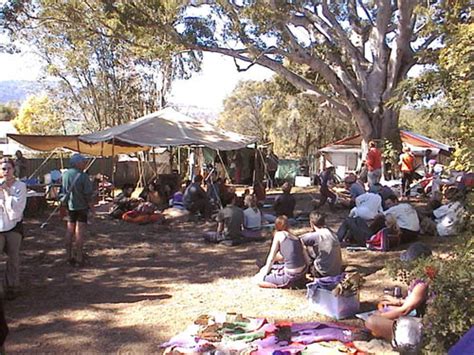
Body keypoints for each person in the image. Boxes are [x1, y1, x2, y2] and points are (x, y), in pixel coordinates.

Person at [365, 243, 432, 346]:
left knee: (371, 321)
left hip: (423, 330)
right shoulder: (428, 278)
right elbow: (416, 302)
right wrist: (397, 302)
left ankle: (399, 340)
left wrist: (381, 316)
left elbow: (404, 311)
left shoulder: (422, 285)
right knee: (383, 309)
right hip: (420, 321)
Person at [254, 215, 310, 288]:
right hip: (301, 274)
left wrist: (264, 273)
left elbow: (271, 257)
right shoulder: (297, 238)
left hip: (289, 276)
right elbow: (307, 260)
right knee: (276, 267)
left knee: (257, 280)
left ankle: (275, 285)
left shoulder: (279, 234)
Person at [0, 158, 27, 300]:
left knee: (13, 257)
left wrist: (7, 193)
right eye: (3, 169)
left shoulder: (20, 186)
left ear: (13, 169)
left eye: (8, 168)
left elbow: (17, 210)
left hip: (14, 226)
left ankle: (13, 286)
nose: (6, 172)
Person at [62, 154, 94, 266]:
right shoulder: (83, 176)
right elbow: (87, 194)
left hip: (70, 207)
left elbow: (64, 191)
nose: (85, 164)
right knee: (79, 233)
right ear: (77, 163)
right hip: (82, 208)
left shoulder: (65, 175)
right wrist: (92, 208)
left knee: (69, 231)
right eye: (83, 162)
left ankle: (68, 256)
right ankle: (79, 258)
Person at [301, 212, 342, 278]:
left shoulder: (316, 235)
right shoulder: (331, 233)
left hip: (321, 272)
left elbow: (297, 241)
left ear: (311, 223)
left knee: (303, 247)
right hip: (336, 271)